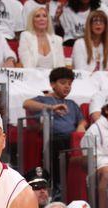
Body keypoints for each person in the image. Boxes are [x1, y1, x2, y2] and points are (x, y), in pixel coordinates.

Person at [23, 67, 86, 200]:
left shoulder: (72, 104)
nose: (67, 87)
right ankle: (57, 187)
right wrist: (51, 108)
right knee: (59, 142)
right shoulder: (44, 99)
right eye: (63, 83)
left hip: (71, 140)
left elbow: (82, 121)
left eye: (70, 84)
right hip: (53, 138)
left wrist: (81, 127)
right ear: (52, 84)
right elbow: (26, 104)